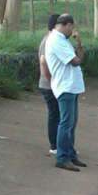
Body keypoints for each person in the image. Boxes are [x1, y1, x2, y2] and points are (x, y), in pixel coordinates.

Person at [45, 13, 87, 172]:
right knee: (66, 123)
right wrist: (78, 43)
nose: (73, 31)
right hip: (65, 86)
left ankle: (70, 154)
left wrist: (78, 43)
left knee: (71, 123)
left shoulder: (62, 41)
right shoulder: (56, 41)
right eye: (72, 28)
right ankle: (62, 158)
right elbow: (76, 61)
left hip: (72, 86)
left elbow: (79, 58)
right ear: (67, 25)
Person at [38, 13, 60, 156]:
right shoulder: (48, 41)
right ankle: (54, 145)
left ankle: (58, 144)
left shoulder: (50, 39)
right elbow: (43, 62)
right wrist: (52, 82)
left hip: (50, 84)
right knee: (55, 115)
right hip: (49, 85)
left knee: (57, 115)